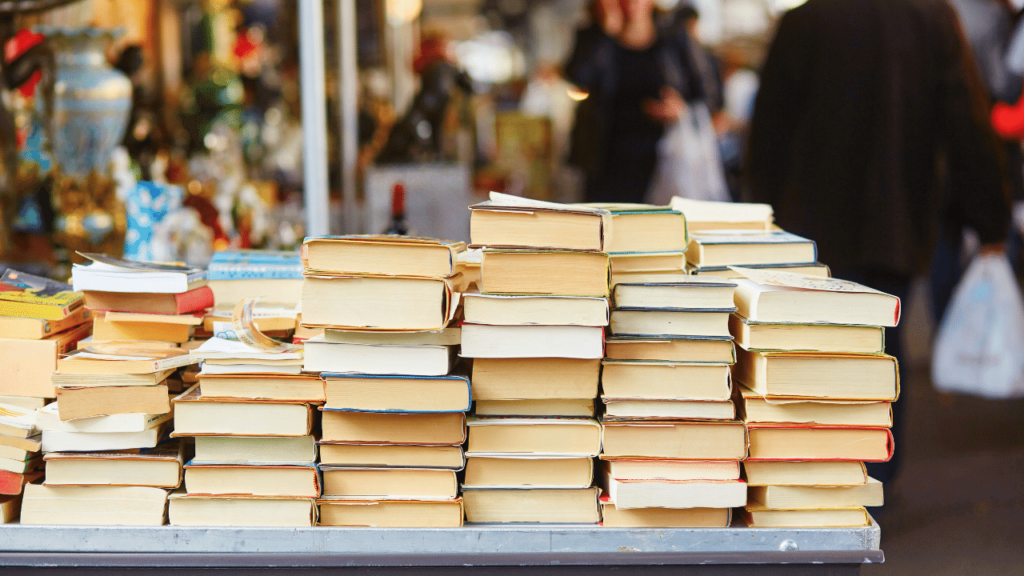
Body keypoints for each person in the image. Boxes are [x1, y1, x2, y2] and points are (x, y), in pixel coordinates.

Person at [747, 0, 1012, 490]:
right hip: (894, 220)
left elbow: (767, 134)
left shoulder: (805, 21)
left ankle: (808, 477)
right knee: (881, 347)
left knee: (808, 353)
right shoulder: (931, 18)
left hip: (807, 227)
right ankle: (874, 480)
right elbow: (966, 124)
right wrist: (990, 220)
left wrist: (760, 222)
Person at [565, 0, 708, 203]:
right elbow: (578, 78)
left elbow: (707, 92)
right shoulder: (593, 35)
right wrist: (606, 32)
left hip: (664, 155)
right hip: (605, 156)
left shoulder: (673, 36)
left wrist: (680, 109)